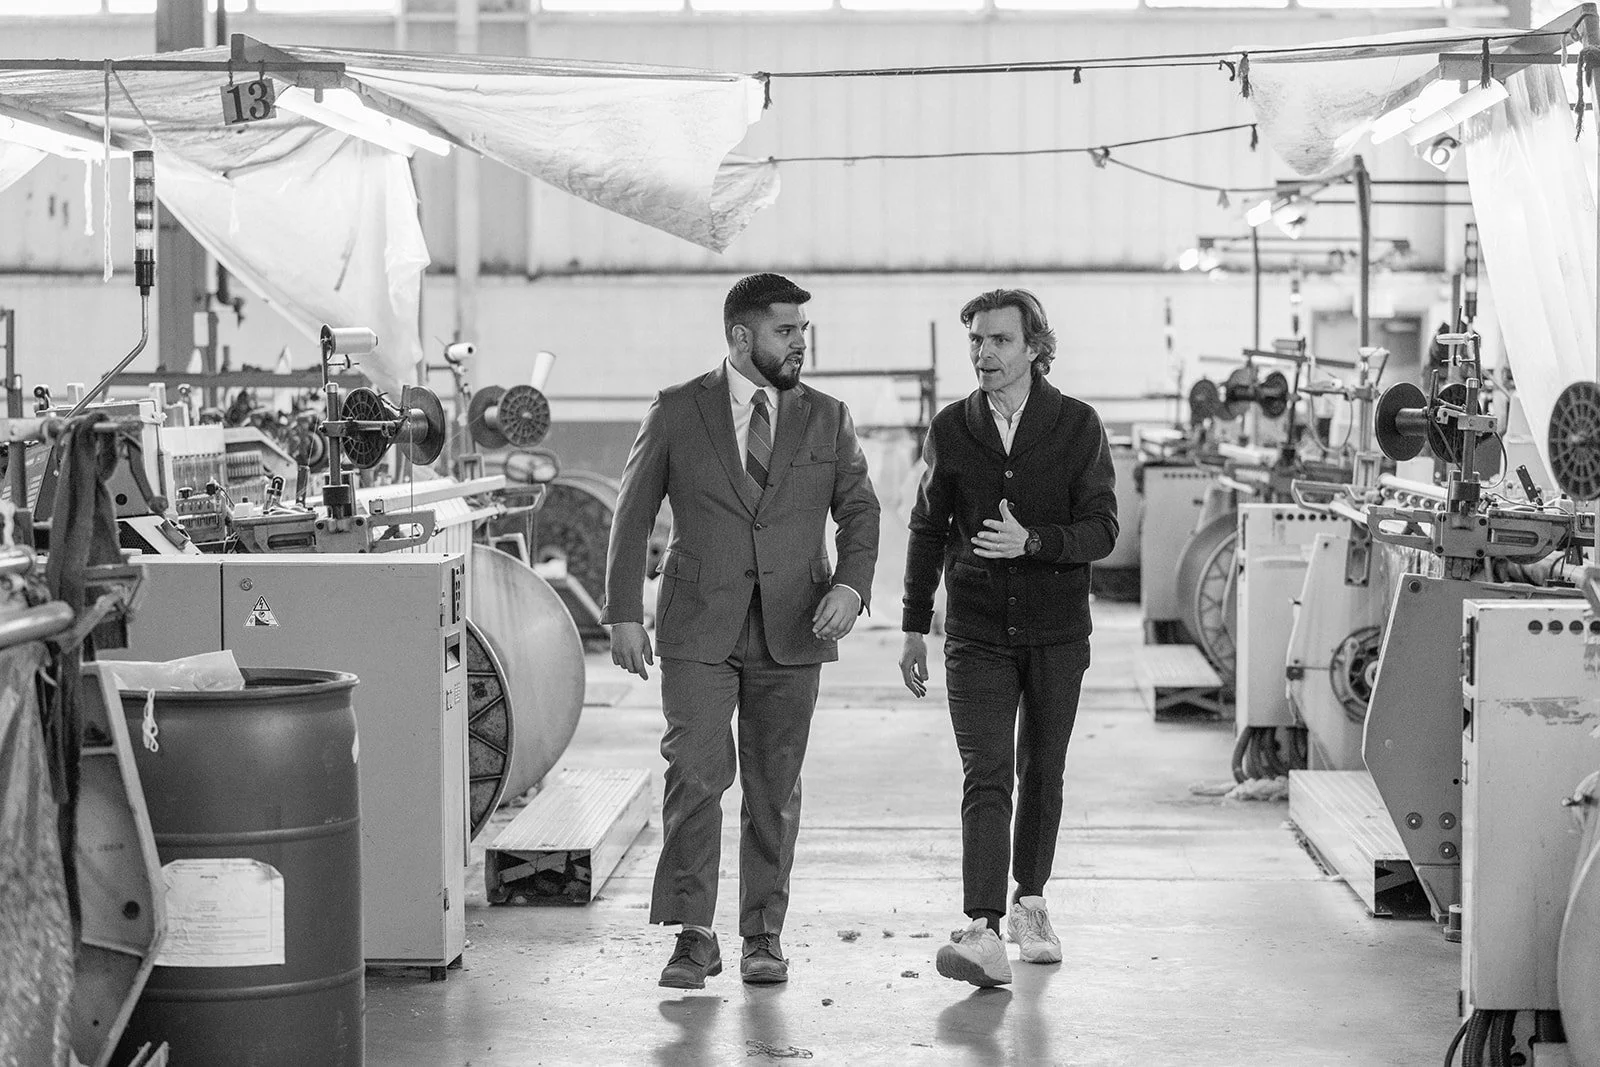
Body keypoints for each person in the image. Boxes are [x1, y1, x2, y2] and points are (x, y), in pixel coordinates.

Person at [603, 272, 881, 990]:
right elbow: (633, 513)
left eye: (802, 330)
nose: (799, 343)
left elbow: (860, 509)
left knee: (773, 788)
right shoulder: (677, 410)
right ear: (740, 336)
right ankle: (693, 935)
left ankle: (763, 933)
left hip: (796, 621)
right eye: (785, 330)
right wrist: (624, 612)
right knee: (694, 774)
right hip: (698, 623)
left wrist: (850, 586)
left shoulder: (828, 417)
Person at [898, 288, 1118, 988]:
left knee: (1043, 768)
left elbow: (1103, 529)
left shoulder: (1077, 426)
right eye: (976, 340)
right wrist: (913, 623)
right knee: (987, 771)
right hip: (976, 630)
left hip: (1057, 632)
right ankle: (984, 927)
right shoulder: (953, 427)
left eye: (999, 340)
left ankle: (1031, 904)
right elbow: (928, 527)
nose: (984, 353)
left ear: (1034, 348)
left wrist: (1036, 542)